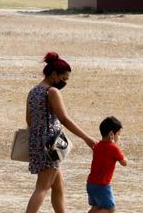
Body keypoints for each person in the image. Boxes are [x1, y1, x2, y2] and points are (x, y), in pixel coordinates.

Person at [26, 52, 98, 213]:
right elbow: (65, 119)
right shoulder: (52, 92)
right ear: (53, 74)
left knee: (58, 186)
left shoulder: (33, 91)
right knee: (42, 187)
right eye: (63, 79)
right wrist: (86, 138)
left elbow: (29, 121)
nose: (64, 83)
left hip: (37, 141)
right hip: (51, 144)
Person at [86, 117, 127, 213]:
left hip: (91, 183)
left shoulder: (97, 145)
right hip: (102, 185)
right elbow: (124, 163)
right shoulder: (113, 148)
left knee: (96, 207)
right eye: (119, 134)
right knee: (110, 209)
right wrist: (124, 157)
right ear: (112, 134)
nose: (119, 137)